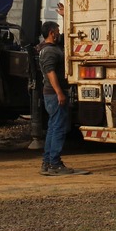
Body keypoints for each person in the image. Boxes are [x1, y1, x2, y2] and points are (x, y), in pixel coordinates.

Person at [37, 20, 88, 176]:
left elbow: (67, 37)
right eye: (57, 30)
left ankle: (47, 162)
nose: (59, 33)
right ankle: (55, 164)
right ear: (52, 33)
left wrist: (66, 16)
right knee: (58, 128)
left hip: (51, 95)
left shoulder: (48, 48)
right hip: (54, 95)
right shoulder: (50, 52)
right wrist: (59, 92)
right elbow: (50, 73)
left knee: (53, 128)